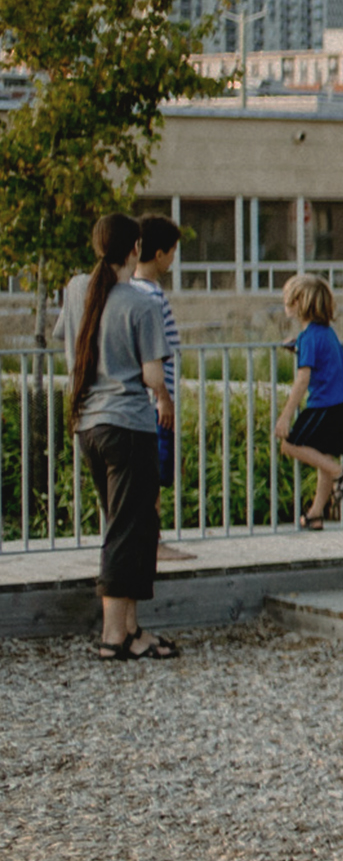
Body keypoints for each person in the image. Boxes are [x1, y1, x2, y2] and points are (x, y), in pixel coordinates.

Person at [67, 212, 179, 659]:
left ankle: (132, 629)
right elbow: (153, 375)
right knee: (128, 529)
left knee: (129, 525)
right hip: (129, 426)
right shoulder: (141, 303)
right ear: (135, 248)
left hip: (89, 426)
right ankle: (114, 635)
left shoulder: (77, 290)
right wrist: (167, 401)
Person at [129, 215, 195, 564]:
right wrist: (163, 399)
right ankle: (152, 540)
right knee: (152, 474)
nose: (173, 259)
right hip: (154, 402)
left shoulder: (129, 291)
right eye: (172, 252)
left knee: (147, 473)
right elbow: (153, 352)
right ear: (158, 253)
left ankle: (145, 537)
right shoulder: (150, 298)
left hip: (144, 400)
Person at [276, 273, 343, 528]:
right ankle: (315, 515)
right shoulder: (324, 333)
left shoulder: (309, 337)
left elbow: (302, 379)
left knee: (290, 445)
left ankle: (340, 473)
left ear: (300, 303)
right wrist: (297, 346)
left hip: (324, 404)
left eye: (289, 299)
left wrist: (286, 416)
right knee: (323, 456)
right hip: (342, 402)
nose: (285, 303)